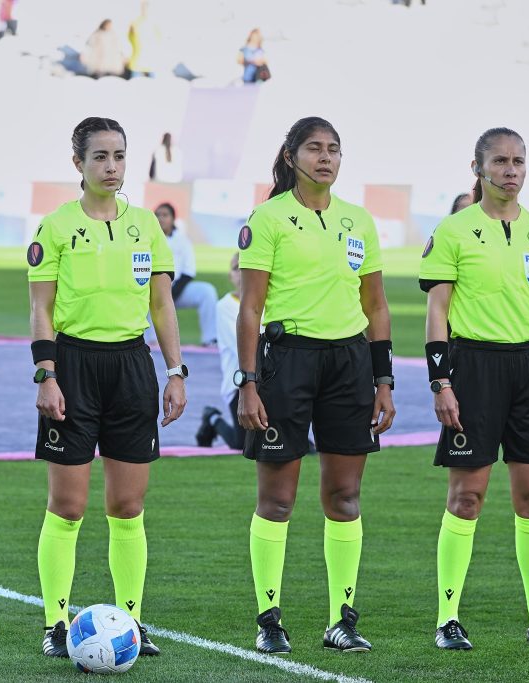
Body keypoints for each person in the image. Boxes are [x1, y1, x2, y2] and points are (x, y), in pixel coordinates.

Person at [28, 116, 186, 659]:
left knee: (128, 504)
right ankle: (55, 624)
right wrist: (47, 374)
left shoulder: (146, 226)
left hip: (132, 367)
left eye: (118, 155)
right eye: (100, 156)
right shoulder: (55, 227)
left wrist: (175, 371)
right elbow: (41, 309)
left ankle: (132, 623)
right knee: (68, 505)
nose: (111, 166)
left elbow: (162, 304)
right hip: (72, 366)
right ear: (78, 163)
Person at [237, 116, 395, 654]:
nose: (325, 158)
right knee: (277, 500)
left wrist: (383, 380)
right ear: (291, 156)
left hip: (350, 364)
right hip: (287, 362)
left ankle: (341, 621)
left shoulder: (358, 221)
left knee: (345, 497)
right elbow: (251, 308)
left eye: (334, 149)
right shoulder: (268, 218)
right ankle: (269, 621)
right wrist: (248, 383)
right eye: (314, 148)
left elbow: (376, 306)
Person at [420, 127, 529, 651]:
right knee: (467, 497)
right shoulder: (454, 230)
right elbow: (437, 310)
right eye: (500, 161)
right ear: (478, 168)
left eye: (519, 161)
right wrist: (441, 381)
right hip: (473, 368)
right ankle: (447, 619)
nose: (511, 170)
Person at [196, 252, 245, 450]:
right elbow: (241, 346)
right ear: (230, 276)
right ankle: (212, 418)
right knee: (242, 444)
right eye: (236, 268)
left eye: (246, 266)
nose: (241, 272)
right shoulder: (225, 306)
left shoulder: (271, 302)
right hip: (240, 384)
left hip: (271, 380)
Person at [153, 202, 216, 345]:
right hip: (154, 291)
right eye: (157, 215)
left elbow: (189, 271)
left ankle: (210, 339)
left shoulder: (182, 240)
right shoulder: (148, 238)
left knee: (207, 291)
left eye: (165, 215)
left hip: (177, 289)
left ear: (173, 219)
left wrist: (172, 293)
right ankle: (151, 341)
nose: (160, 218)